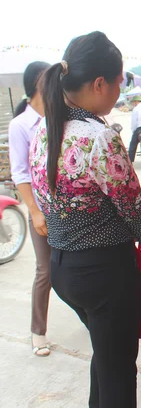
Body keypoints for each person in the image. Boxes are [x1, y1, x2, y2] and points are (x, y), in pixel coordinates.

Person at [29, 31, 141, 408]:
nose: (120, 88)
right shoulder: (98, 137)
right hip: (104, 275)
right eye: (119, 80)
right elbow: (132, 205)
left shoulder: (42, 132)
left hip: (63, 268)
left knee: (106, 359)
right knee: (119, 371)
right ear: (99, 83)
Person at [8, 61, 52, 357]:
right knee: (46, 270)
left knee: (72, 268)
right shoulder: (20, 125)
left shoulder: (56, 117)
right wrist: (35, 212)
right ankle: (38, 331)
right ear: (40, 84)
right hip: (40, 210)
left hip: (65, 206)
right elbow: (20, 173)